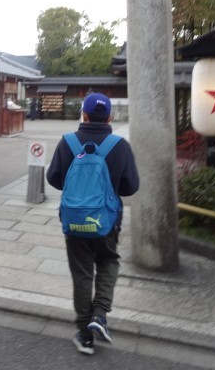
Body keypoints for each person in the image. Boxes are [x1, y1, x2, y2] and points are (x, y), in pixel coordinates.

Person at [46, 93, 139, 356]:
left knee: (82, 273)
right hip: (107, 222)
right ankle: (99, 314)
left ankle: (84, 335)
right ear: (109, 118)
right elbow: (131, 187)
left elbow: (53, 178)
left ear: (83, 115)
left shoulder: (68, 142)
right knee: (108, 261)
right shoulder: (120, 146)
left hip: (75, 221)